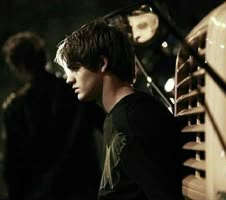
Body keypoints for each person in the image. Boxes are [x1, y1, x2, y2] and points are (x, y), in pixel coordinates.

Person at [54, 19, 183, 200]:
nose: (69, 79)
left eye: (75, 68)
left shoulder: (135, 119)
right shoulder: (117, 117)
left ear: (101, 63)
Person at [1, 31, 105, 200]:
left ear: (17, 66)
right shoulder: (75, 91)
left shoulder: (14, 107)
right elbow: (107, 126)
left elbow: (12, 166)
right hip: (82, 185)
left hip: (43, 193)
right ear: (43, 56)